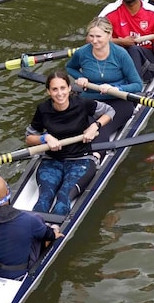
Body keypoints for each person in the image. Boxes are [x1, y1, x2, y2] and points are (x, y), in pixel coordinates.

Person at [26, 70, 115, 215]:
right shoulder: (43, 109)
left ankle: (55, 231)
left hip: (81, 160)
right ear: (48, 91)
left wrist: (95, 126)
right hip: (52, 160)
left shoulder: (82, 103)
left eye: (63, 88)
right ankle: (36, 230)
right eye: (54, 89)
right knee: (44, 198)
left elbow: (110, 112)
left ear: (69, 88)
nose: (59, 93)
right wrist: (45, 138)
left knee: (63, 198)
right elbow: (29, 138)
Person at [0, 175, 64, 281]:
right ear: (8, 193)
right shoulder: (30, 220)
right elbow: (49, 235)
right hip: (17, 277)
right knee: (44, 234)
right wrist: (55, 232)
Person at [66, 16, 143, 144]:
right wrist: (79, 77)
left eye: (98, 36)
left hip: (118, 101)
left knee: (99, 131)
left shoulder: (121, 54)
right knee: (74, 126)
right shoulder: (82, 53)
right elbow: (70, 67)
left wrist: (117, 89)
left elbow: (137, 85)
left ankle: (94, 158)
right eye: (91, 36)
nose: (94, 41)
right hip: (91, 100)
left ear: (109, 35)